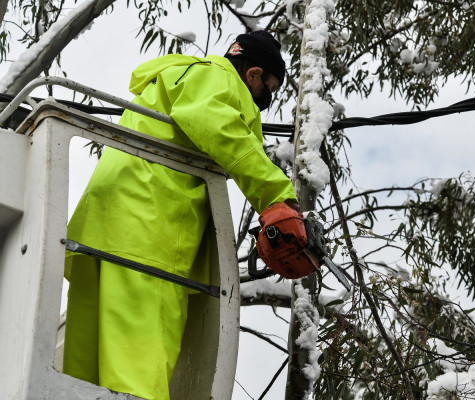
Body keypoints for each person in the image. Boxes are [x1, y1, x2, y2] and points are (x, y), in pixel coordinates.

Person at [63, 30, 298, 400]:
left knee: (82, 376)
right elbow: (221, 128)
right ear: (252, 75)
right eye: (267, 86)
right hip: (150, 234)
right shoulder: (218, 77)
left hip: (102, 228)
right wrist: (277, 197)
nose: (265, 98)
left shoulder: (175, 77)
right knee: (138, 373)